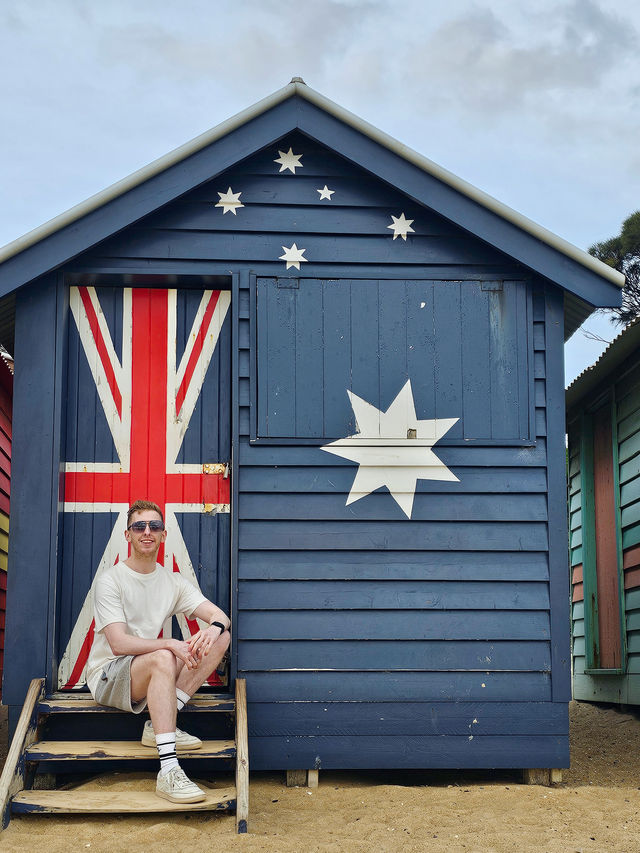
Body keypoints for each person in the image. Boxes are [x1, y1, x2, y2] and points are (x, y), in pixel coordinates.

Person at [86, 499, 231, 804]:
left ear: (164, 534)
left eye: (154, 526)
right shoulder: (111, 580)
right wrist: (168, 643)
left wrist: (213, 628)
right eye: (139, 526)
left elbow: (221, 617)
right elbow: (118, 644)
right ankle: (168, 770)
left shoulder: (172, 581)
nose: (147, 532)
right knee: (165, 654)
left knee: (221, 639)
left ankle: (161, 725)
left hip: (147, 669)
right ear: (128, 535)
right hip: (108, 676)